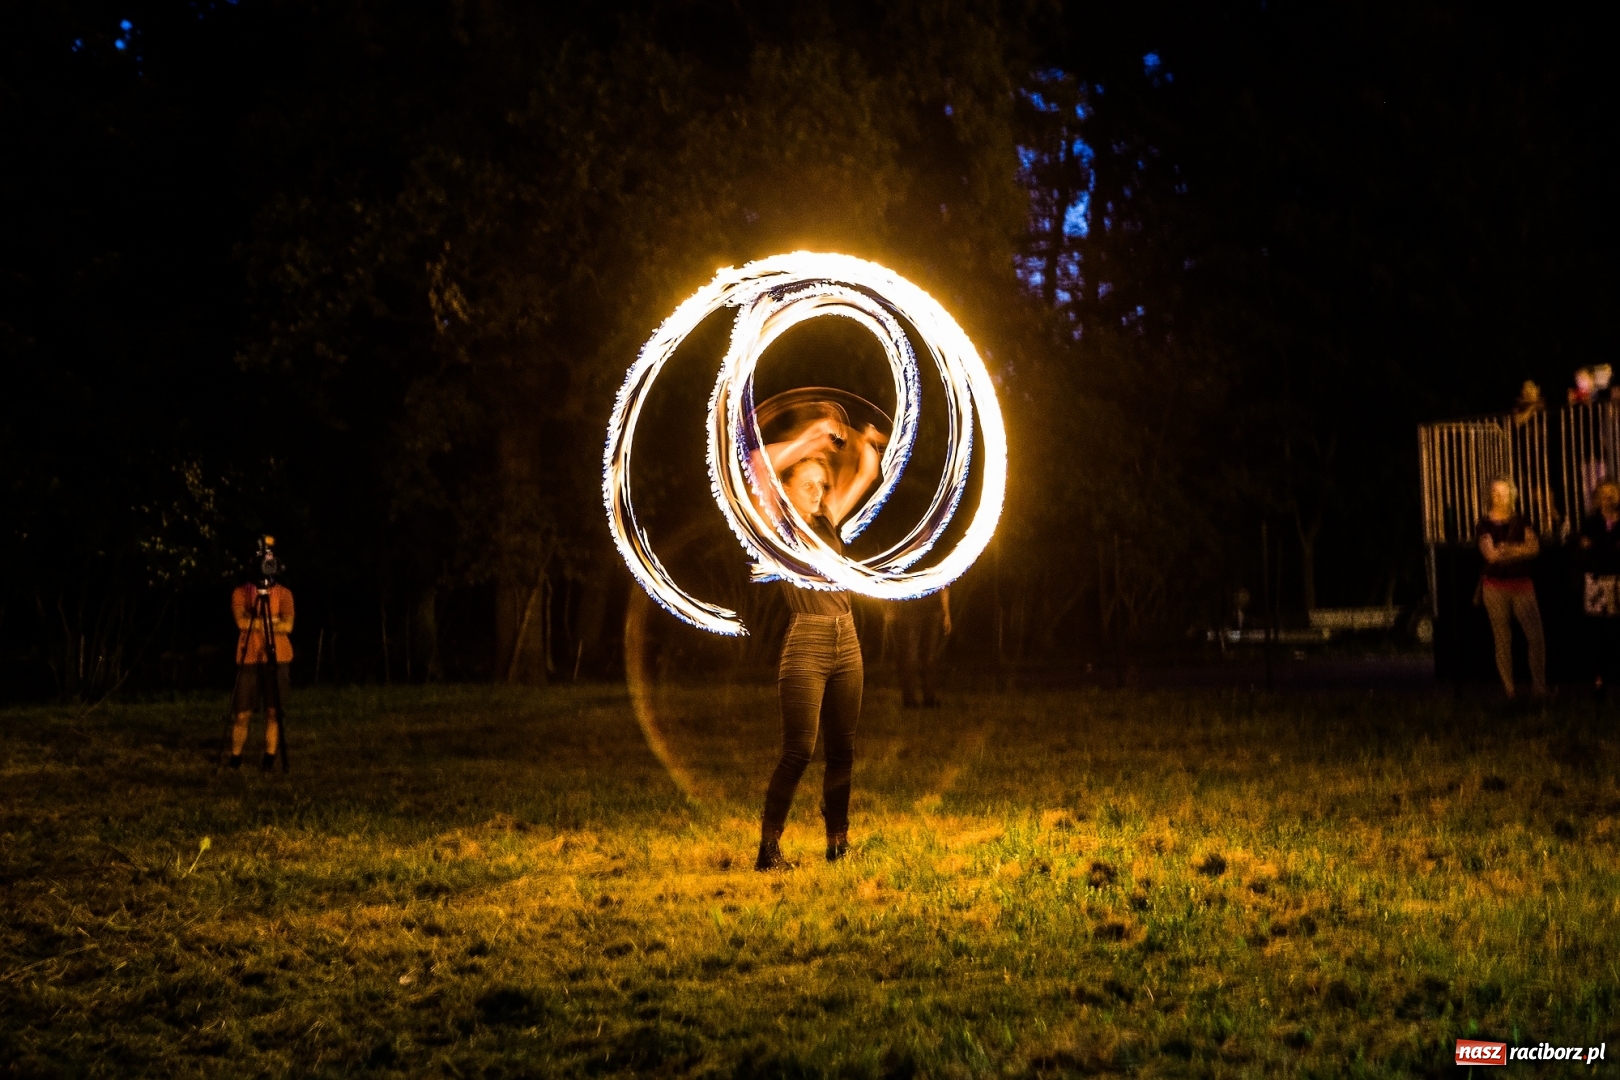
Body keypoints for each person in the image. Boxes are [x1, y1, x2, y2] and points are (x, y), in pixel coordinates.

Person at [751, 411, 885, 871]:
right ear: (786, 489)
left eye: (820, 486)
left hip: (846, 640)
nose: (817, 492)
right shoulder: (779, 526)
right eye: (807, 484)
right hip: (806, 641)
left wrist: (866, 444)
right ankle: (769, 849)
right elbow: (755, 462)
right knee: (800, 750)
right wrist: (810, 437)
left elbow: (867, 474)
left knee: (843, 751)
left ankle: (838, 843)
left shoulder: (827, 519)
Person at [1477, 478, 1546, 700]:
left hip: (1522, 586)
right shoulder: (1484, 524)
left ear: (1512, 495)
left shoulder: (1521, 521)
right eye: (1495, 492)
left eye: (1504, 493)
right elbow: (1491, 555)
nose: (1500, 497)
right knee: (1502, 639)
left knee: (1536, 638)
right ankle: (1510, 691)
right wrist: (1517, 550)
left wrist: (1507, 549)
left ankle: (1539, 688)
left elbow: (1534, 548)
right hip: (1495, 587)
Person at [229, 565, 294, 770]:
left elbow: (288, 626)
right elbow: (240, 622)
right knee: (242, 713)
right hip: (248, 658)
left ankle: (269, 757)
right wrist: (273, 621)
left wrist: (254, 621)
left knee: (274, 712)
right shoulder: (241, 592)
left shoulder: (284, 593)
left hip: (278, 657)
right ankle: (235, 758)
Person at [1578, 479, 1620, 695]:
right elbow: (1587, 550)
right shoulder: (1591, 522)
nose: (1609, 497)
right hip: (1597, 580)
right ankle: (1599, 677)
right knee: (1598, 631)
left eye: (1613, 493)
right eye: (1604, 494)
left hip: (1617, 580)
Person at [892, 587, 951, 708]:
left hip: (932, 610)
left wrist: (946, 613)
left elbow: (944, 585)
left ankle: (928, 698)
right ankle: (910, 700)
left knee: (929, 658)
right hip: (909, 612)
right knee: (911, 657)